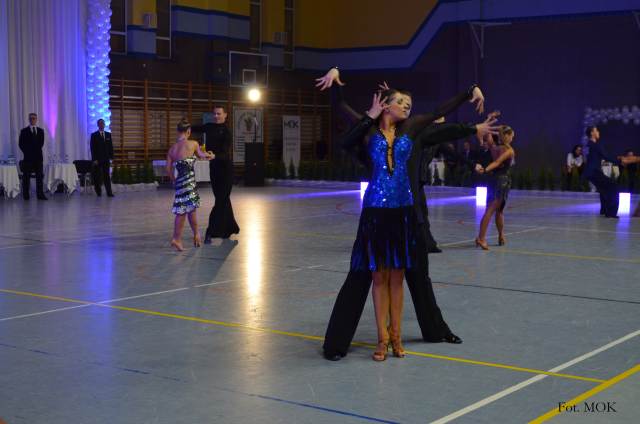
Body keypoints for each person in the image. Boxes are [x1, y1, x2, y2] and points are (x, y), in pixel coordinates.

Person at [316, 67, 498, 361]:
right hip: (375, 214)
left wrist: (470, 93)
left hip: (405, 212)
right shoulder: (369, 130)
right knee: (368, 277)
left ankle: (420, 333)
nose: (407, 107)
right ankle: (354, 342)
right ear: (386, 104)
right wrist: (340, 79)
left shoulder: (412, 130)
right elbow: (343, 118)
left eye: (409, 104)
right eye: (401, 102)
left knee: (413, 276)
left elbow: (440, 117)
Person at [192, 106, 240, 242]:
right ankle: (229, 228)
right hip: (214, 169)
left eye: (219, 114)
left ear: (225, 115)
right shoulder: (209, 126)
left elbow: (225, 154)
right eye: (214, 114)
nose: (216, 116)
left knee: (221, 200)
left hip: (226, 170)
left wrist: (215, 156)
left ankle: (210, 231)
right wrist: (184, 127)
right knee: (223, 200)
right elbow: (195, 129)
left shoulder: (227, 132)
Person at [166, 119, 214, 252]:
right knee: (185, 211)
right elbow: (202, 155)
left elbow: (168, 169)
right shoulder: (193, 143)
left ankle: (194, 235)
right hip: (190, 183)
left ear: (177, 131)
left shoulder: (172, 149)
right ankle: (178, 238)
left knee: (186, 210)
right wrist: (211, 155)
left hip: (180, 183)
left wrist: (174, 180)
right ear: (188, 131)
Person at [475, 125, 515, 250]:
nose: (512, 138)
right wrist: (485, 169)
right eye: (511, 136)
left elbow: (487, 135)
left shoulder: (494, 147)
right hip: (502, 181)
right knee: (492, 210)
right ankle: (481, 238)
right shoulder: (509, 151)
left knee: (498, 210)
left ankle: (501, 235)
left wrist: (490, 120)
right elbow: (497, 162)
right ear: (507, 136)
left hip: (493, 180)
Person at [583, 126, 622, 218]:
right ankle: (611, 213)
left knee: (604, 189)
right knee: (613, 186)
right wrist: (619, 161)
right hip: (594, 172)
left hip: (590, 172)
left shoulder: (589, 145)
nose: (598, 132)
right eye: (596, 130)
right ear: (592, 133)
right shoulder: (595, 145)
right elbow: (606, 156)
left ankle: (604, 210)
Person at [18, 113, 47, 200]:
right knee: (26, 177)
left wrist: (35, 152)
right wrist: (27, 152)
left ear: (36, 119)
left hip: (38, 158)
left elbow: (41, 143)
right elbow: (21, 144)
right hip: (28, 158)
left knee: (39, 177)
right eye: (31, 118)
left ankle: (40, 194)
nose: (32, 120)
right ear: (29, 119)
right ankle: (26, 195)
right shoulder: (24, 131)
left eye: (34, 118)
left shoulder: (41, 131)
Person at [90, 119, 114, 197]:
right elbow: (92, 148)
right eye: (100, 124)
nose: (102, 125)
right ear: (98, 125)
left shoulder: (108, 134)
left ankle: (109, 192)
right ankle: (98, 192)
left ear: (104, 125)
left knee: (107, 176)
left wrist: (111, 157)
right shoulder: (94, 135)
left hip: (106, 159)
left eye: (103, 123)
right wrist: (94, 159)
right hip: (97, 159)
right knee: (97, 177)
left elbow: (110, 147)